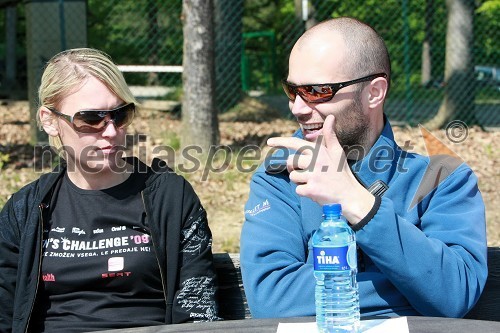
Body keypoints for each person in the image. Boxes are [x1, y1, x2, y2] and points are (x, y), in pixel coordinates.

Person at [240, 17, 487, 319]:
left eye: (317, 90)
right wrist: (418, 289)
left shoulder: (443, 180)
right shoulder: (279, 179)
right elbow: (272, 298)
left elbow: (453, 292)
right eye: (292, 90)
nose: (298, 108)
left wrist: (358, 203)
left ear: (374, 92)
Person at [0, 48, 219, 333]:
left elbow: (198, 314)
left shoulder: (169, 198)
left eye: (120, 114)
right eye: (91, 119)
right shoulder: (26, 209)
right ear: (49, 120)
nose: (111, 131)